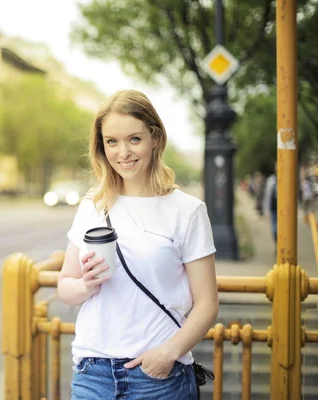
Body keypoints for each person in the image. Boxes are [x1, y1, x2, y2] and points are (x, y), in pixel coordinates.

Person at [57, 90, 218, 400]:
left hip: (159, 378)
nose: (123, 152)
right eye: (112, 141)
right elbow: (65, 286)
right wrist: (86, 286)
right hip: (93, 374)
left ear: (155, 138)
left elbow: (208, 303)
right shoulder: (92, 206)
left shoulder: (187, 210)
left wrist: (167, 354)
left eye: (134, 139)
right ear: (101, 146)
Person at [263, 169, 277, 243]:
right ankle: (277, 245)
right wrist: (266, 211)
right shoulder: (271, 180)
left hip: (284, 210)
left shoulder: (287, 177)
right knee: (274, 229)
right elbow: (267, 196)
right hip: (273, 209)